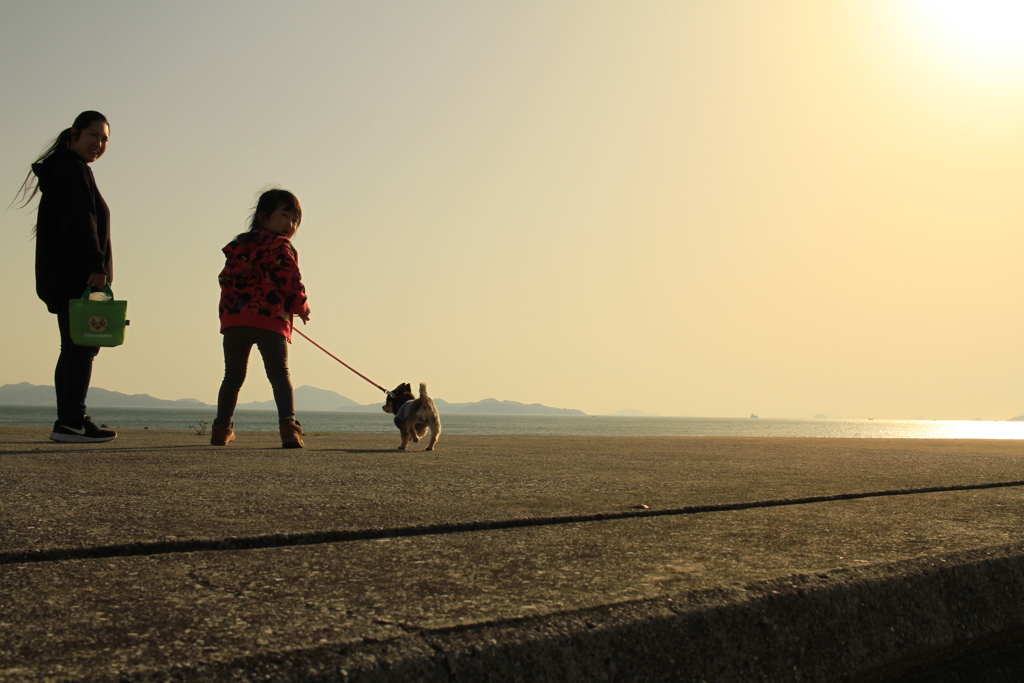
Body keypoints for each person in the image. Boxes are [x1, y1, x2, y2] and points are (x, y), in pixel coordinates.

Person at [15, 111, 117, 443]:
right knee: (84, 345)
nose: (99, 144)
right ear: (74, 134)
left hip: (63, 274)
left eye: (104, 139)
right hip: (78, 274)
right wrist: (96, 265)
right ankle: (72, 421)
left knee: (72, 346)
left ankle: (69, 420)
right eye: (94, 135)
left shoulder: (65, 169)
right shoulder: (72, 171)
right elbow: (80, 220)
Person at [213, 188, 311, 448]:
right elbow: (290, 280)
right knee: (279, 374)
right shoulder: (281, 247)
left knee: (232, 376)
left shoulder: (238, 246)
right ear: (263, 216)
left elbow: (224, 279)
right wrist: (301, 307)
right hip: (270, 319)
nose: (290, 224)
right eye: (285, 216)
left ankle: (221, 428)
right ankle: (289, 428)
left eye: (294, 220)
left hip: (235, 319)